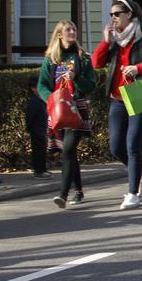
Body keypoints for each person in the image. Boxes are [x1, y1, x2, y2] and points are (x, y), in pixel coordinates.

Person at [92, 0, 142, 210]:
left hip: (139, 94)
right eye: (111, 15)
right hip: (117, 99)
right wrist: (106, 41)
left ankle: (132, 192)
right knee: (116, 147)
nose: (113, 18)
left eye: (117, 14)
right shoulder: (113, 39)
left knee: (132, 144)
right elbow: (96, 63)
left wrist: (138, 68)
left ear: (129, 15)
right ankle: (140, 171)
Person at [38, 20, 96, 207]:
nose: (72, 32)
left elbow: (92, 84)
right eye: (68, 29)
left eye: (74, 29)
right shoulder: (51, 59)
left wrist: (77, 77)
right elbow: (42, 85)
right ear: (60, 35)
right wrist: (51, 99)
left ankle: (62, 195)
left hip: (76, 108)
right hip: (57, 109)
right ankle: (78, 190)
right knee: (67, 152)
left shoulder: (83, 57)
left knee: (69, 149)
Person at [25, 75, 52, 180]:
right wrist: (29, 127)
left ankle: (43, 169)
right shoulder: (33, 101)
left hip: (42, 130)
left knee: (42, 151)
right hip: (36, 130)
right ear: (33, 88)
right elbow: (30, 116)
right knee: (38, 152)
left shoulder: (40, 100)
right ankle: (38, 171)